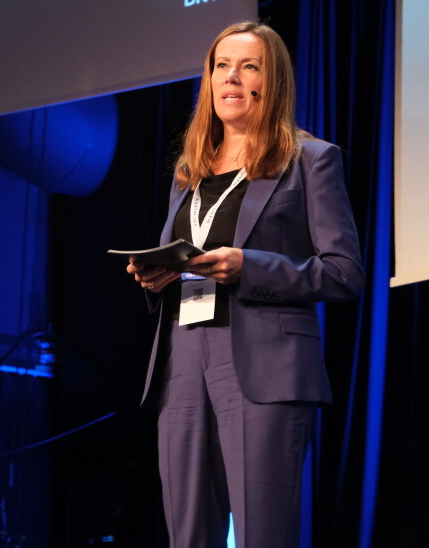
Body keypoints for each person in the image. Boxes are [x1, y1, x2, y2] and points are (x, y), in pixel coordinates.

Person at [126, 21, 364, 548]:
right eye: (220, 66)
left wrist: (250, 267)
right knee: (188, 535)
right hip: (182, 362)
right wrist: (157, 274)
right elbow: (186, 259)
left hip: (263, 367)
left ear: (271, 81)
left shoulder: (310, 161)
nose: (230, 78)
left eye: (248, 66)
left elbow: (345, 272)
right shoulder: (190, 173)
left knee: (262, 533)